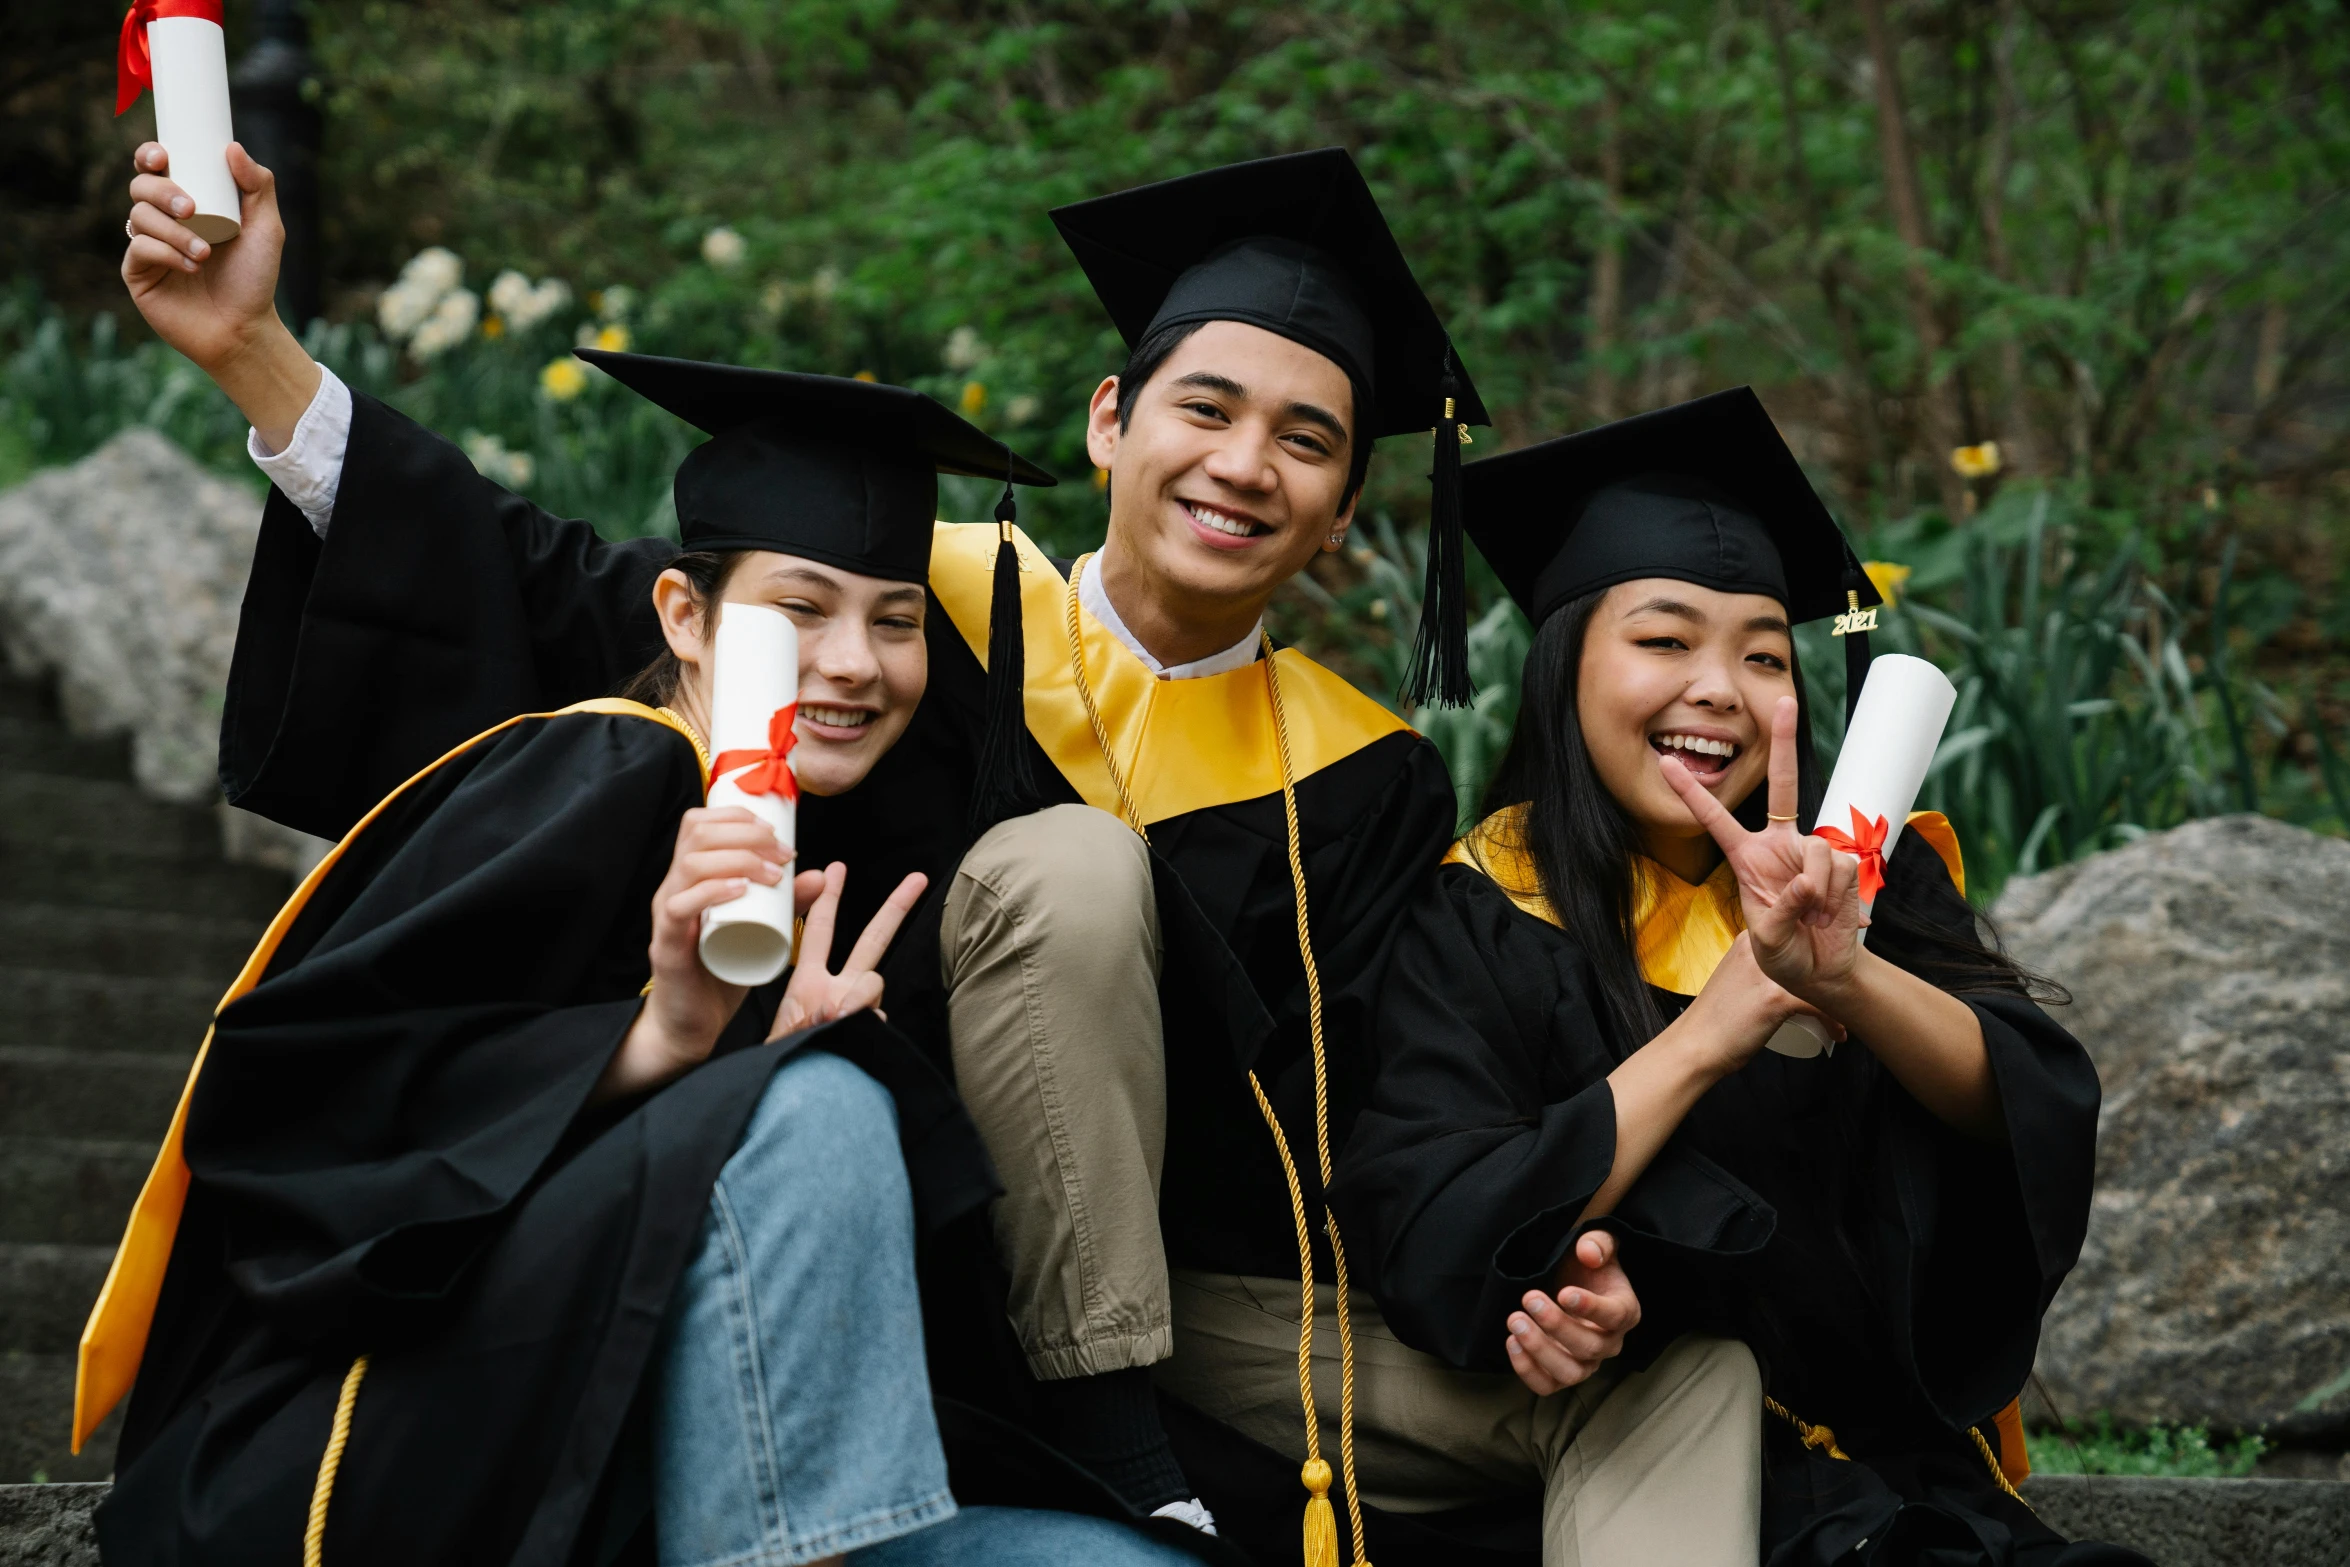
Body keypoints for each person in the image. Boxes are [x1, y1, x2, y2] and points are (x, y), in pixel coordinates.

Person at [119, 140, 1725, 1562]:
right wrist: (258, 356)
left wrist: (1572, 1251)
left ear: (1340, 510)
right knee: (1073, 863)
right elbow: (561, 593)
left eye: (1305, 441)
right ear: (1111, 421)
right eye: (1206, 407)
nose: (1245, 463)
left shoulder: (1367, 774)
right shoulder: (913, 602)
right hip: (886, 1184)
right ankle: (1090, 1434)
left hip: (1202, 1294)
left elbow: (1398, 1094)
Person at [71, 338, 1201, 1566]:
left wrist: (782, 1069)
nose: (854, 661)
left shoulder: (797, 851)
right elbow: (313, 1103)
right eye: (800, 609)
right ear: (683, 615)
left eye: (896, 622)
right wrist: (672, 1041)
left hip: (679, 1445)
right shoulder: (606, 765)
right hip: (420, 1436)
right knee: (815, 1111)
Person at [1333, 389, 2151, 1565]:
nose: (1718, 687)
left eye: (1763, 654)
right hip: (1657, 1467)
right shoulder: (1481, 912)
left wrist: (1849, 976)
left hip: (1897, 1478)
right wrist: (1709, 1034)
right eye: (1663, 640)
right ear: (1565, 665)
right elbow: (1434, 1227)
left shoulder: (1857, 876)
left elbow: (2024, 1112)